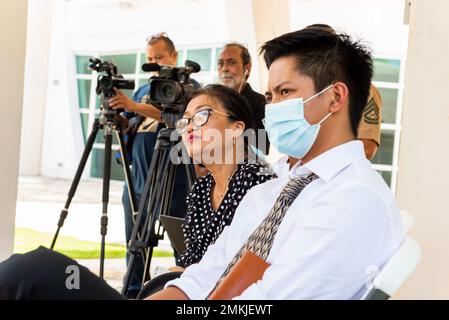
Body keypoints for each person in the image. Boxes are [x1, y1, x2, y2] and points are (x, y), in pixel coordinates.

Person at [146, 29, 404, 300]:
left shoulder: (354, 198)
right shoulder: (273, 189)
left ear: (336, 97)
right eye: (270, 97)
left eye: (285, 92)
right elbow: (205, 274)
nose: (273, 108)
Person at [0, 86, 276, 300]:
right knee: (30, 270)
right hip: (180, 289)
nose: (189, 126)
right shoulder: (202, 189)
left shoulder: (261, 186)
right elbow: (192, 262)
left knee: (37, 269)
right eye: (185, 121)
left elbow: (245, 276)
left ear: (237, 128)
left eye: (202, 116)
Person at [108, 33, 198, 298]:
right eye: (149, 59)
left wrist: (135, 106)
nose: (154, 62)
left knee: (182, 242)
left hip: (174, 178)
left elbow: (178, 118)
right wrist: (120, 114)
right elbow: (131, 121)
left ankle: (186, 289)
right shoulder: (144, 90)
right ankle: (133, 291)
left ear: (174, 56)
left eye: (159, 57)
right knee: (134, 238)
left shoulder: (187, 85)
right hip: (139, 178)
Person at [217, 43, 270, 155]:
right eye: (220, 63)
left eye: (231, 62)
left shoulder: (259, 102)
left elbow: (261, 148)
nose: (225, 68)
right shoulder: (211, 101)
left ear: (247, 68)